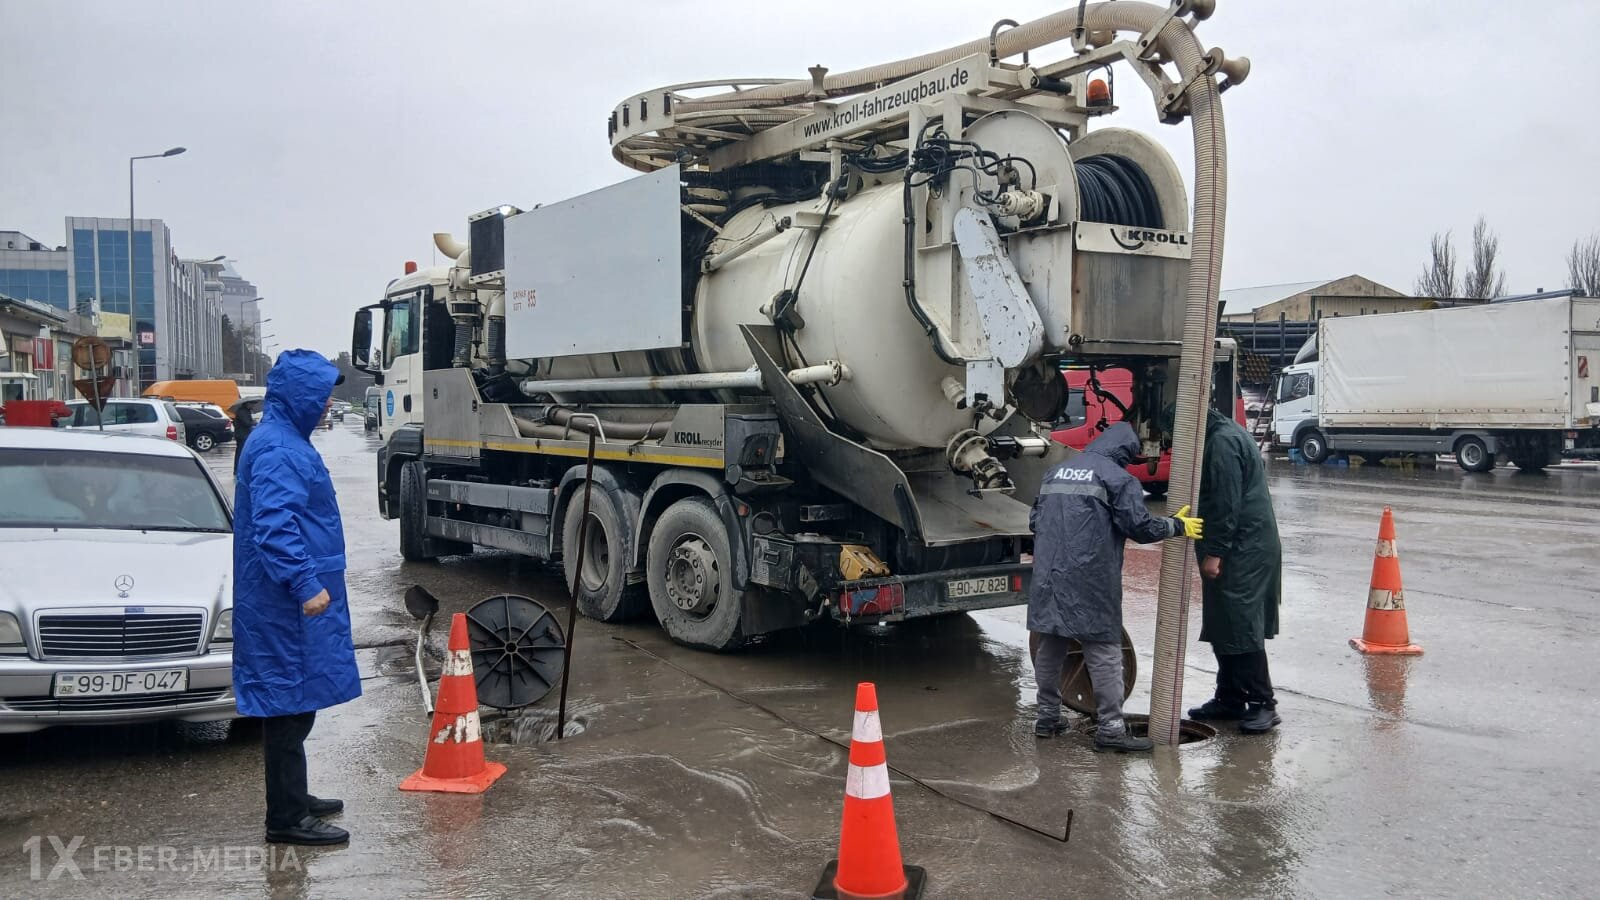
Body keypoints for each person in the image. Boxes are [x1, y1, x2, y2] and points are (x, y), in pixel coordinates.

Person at [233, 350, 360, 846]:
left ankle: (294, 797)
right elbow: (274, 527)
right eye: (322, 393)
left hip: (282, 599)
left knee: (295, 701)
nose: (328, 401)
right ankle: (285, 818)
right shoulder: (279, 448)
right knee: (286, 706)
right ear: (299, 395)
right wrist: (305, 584)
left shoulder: (283, 439)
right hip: (283, 602)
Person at [1029, 422, 1204, 752]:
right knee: (1103, 649)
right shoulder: (1119, 479)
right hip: (1091, 579)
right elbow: (1139, 527)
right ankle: (1110, 729)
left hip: (1049, 576)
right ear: (1124, 453)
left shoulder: (1056, 472)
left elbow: (1035, 522)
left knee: (1050, 643)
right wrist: (1177, 524)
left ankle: (1048, 717)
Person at [1188, 406, 1284, 734]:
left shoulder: (1222, 444)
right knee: (1225, 624)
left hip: (1243, 549)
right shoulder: (1223, 433)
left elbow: (1225, 504)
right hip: (1242, 545)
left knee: (1241, 624)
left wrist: (1215, 552)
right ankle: (1229, 696)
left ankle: (1262, 703)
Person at [230, 397, 261, 474]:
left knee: (241, 452)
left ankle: (238, 469)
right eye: (252, 404)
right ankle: (237, 469)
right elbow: (246, 423)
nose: (253, 406)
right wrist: (253, 422)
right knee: (240, 453)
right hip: (242, 435)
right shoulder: (242, 412)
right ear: (248, 404)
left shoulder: (246, 411)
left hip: (243, 434)